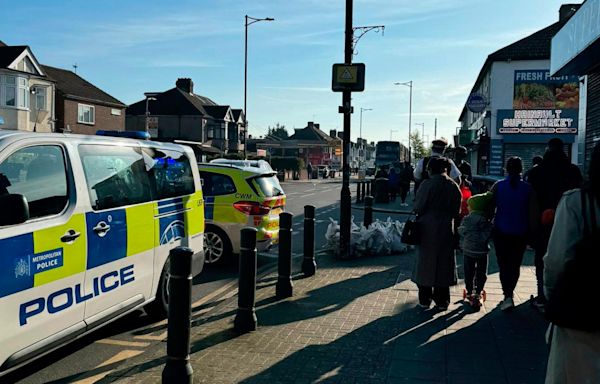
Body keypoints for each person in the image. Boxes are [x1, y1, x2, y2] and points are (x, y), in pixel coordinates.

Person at [543, 142, 600, 384]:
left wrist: (553, 296)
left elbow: (556, 262)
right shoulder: (571, 176)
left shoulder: (579, 203)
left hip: (583, 310)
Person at [527, 138, 582, 310]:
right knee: (569, 256)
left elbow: (530, 199)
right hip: (569, 221)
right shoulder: (573, 171)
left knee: (542, 257)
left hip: (542, 223)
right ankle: (564, 294)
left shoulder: (537, 172)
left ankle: (542, 295)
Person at [412, 157, 462, 310]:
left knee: (425, 263)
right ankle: (442, 301)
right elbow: (457, 210)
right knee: (444, 264)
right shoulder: (453, 186)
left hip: (426, 228)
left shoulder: (426, 185)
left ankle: (424, 300)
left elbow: (418, 207)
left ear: (430, 169)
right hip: (446, 228)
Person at [491, 157, 535, 311]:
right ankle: (509, 294)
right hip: (521, 232)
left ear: (506, 168)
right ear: (521, 168)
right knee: (515, 264)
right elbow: (532, 213)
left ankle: (507, 295)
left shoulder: (498, 186)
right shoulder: (528, 189)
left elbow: (488, 207)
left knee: (503, 264)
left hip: (501, 231)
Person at [458, 192, 494, 308]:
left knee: (469, 271)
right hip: (482, 251)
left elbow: (462, 231)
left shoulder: (467, 219)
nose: (467, 207)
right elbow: (489, 234)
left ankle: (469, 291)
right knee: (481, 272)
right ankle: (479, 291)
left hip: (468, 250)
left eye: (469, 206)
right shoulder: (486, 220)